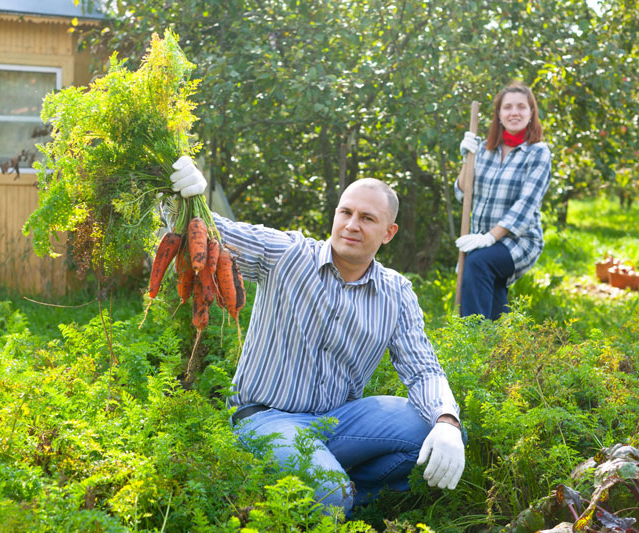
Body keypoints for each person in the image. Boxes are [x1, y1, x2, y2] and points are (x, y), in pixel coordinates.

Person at [169, 157, 465, 515]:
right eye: (346, 213)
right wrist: (181, 200)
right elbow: (212, 235)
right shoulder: (288, 255)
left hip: (340, 421)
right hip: (266, 419)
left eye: (367, 218)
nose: (352, 225)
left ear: (389, 232)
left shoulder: (396, 293)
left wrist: (446, 421)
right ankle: (329, 493)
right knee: (330, 493)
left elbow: (423, 371)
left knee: (443, 435)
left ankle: (353, 495)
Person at [455, 81, 552, 320]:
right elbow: (463, 194)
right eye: (508, 107)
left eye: (521, 107)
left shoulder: (538, 153)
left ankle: (472, 340)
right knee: (491, 290)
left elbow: (526, 206)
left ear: (531, 114)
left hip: (519, 240)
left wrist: (489, 238)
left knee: (478, 264)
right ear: (499, 114)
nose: (514, 112)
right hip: (480, 239)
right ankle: (497, 347)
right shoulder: (483, 149)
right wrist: (467, 159)